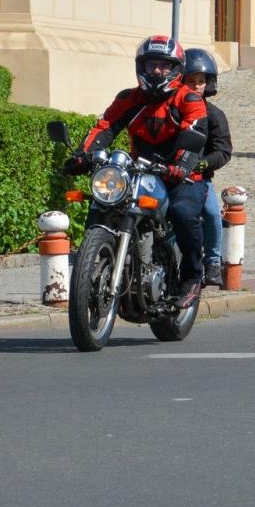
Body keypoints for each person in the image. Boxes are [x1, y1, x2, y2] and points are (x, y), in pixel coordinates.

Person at [65, 35, 211, 307]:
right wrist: (83, 155)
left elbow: (195, 131)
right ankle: (90, 265)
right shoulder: (128, 98)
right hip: (139, 172)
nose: (157, 70)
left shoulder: (189, 98)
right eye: (151, 64)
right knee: (104, 200)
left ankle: (192, 277)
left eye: (164, 66)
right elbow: (106, 126)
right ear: (140, 67)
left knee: (182, 212)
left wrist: (180, 165)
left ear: (176, 69)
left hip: (182, 177)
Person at [181, 48, 232, 288]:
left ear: (208, 84)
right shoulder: (173, 108)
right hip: (168, 173)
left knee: (211, 212)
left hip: (198, 177)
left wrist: (205, 163)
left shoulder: (214, 115)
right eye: (190, 81)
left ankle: (212, 261)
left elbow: (223, 151)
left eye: (200, 82)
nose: (195, 86)